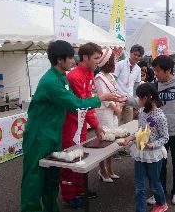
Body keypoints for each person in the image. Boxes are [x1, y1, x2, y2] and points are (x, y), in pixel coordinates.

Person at [21, 40, 120, 212]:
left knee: (52, 174)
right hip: (39, 135)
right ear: (60, 60)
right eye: (70, 58)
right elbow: (75, 103)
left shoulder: (61, 78)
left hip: (54, 133)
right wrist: (102, 98)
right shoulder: (51, 81)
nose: (73, 61)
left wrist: (94, 122)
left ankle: (52, 207)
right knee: (34, 178)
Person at [125, 55, 175, 205]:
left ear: (168, 70)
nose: (155, 74)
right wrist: (124, 99)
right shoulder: (155, 86)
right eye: (154, 70)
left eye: (157, 71)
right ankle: (160, 193)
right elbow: (141, 101)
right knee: (159, 165)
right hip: (157, 135)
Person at [59, 42, 104, 208]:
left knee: (81, 157)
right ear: (85, 57)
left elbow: (88, 104)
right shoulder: (74, 76)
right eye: (96, 58)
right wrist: (97, 125)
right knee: (69, 161)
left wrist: (95, 124)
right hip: (70, 126)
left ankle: (80, 190)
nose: (98, 62)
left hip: (81, 124)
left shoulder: (89, 74)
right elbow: (83, 103)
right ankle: (69, 196)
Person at [120, 83, 169, 212]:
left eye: (140, 98)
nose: (138, 101)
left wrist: (152, 144)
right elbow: (140, 131)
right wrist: (130, 138)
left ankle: (162, 203)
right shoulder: (142, 112)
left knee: (154, 182)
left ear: (147, 98)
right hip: (140, 152)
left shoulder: (160, 116)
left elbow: (165, 138)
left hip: (154, 155)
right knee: (139, 186)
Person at [95, 48, 122, 183]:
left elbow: (116, 92)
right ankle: (102, 170)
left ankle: (110, 168)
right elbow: (104, 97)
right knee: (104, 140)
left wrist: (118, 106)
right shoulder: (99, 77)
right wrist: (116, 108)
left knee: (112, 140)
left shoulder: (110, 76)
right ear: (108, 62)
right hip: (104, 112)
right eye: (113, 60)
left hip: (113, 111)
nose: (115, 62)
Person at [115, 44, 144, 157]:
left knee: (127, 125)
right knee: (116, 125)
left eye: (138, 55)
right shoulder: (120, 64)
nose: (136, 57)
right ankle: (114, 150)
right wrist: (115, 96)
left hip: (130, 99)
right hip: (118, 98)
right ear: (130, 53)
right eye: (134, 54)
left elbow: (136, 86)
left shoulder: (138, 69)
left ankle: (122, 147)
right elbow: (114, 80)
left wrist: (137, 101)